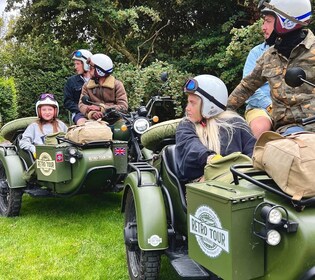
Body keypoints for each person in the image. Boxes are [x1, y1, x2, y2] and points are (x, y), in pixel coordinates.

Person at [227, 0, 314, 135]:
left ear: (287, 21)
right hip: (291, 131)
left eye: (268, 21)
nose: (263, 27)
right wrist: (218, 112)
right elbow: (246, 87)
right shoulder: (269, 56)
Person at [175, 74, 256, 182]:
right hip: (202, 188)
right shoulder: (186, 126)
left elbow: (253, 153)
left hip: (239, 181)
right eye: (188, 102)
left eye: (192, 103)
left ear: (209, 105)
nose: (187, 108)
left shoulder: (236, 124)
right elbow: (190, 145)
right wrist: (210, 158)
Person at [242, 13, 276, 138]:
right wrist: (270, 106)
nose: (263, 27)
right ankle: (252, 156)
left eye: (268, 22)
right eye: (263, 22)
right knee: (260, 127)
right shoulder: (256, 53)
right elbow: (248, 90)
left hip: (292, 107)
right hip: (260, 107)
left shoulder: (301, 52)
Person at [78, 53, 128, 121]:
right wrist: (93, 113)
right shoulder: (87, 86)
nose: (88, 70)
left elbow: (123, 107)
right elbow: (82, 105)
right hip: (93, 121)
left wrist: (102, 108)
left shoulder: (117, 85)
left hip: (115, 119)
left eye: (91, 68)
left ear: (100, 71)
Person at [64, 49, 92, 125]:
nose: (75, 67)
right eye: (75, 64)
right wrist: (83, 109)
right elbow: (68, 102)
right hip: (79, 113)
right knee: (84, 126)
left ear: (86, 64)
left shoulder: (98, 80)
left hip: (98, 112)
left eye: (78, 64)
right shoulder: (71, 81)